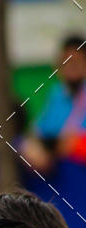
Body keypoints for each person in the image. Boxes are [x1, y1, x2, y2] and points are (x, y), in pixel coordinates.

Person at [23, 35, 86, 173]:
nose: (71, 68)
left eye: (77, 62)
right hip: (55, 169)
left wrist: (73, 144)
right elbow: (38, 131)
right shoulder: (56, 94)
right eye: (67, 62)